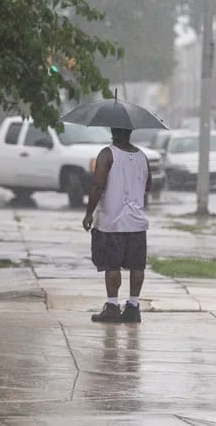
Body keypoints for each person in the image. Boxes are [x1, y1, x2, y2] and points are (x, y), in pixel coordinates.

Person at [83, 127, 151, 323]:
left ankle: (112, 306)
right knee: (137, 265)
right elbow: (148, 185)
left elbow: (97, 185)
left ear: (112, 131)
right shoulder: (142, 156)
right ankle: (133, 307)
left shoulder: (107, 154)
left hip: (111, 222)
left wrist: (89, 212)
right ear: (130, 132)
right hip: (137, 222)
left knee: (112, 265)